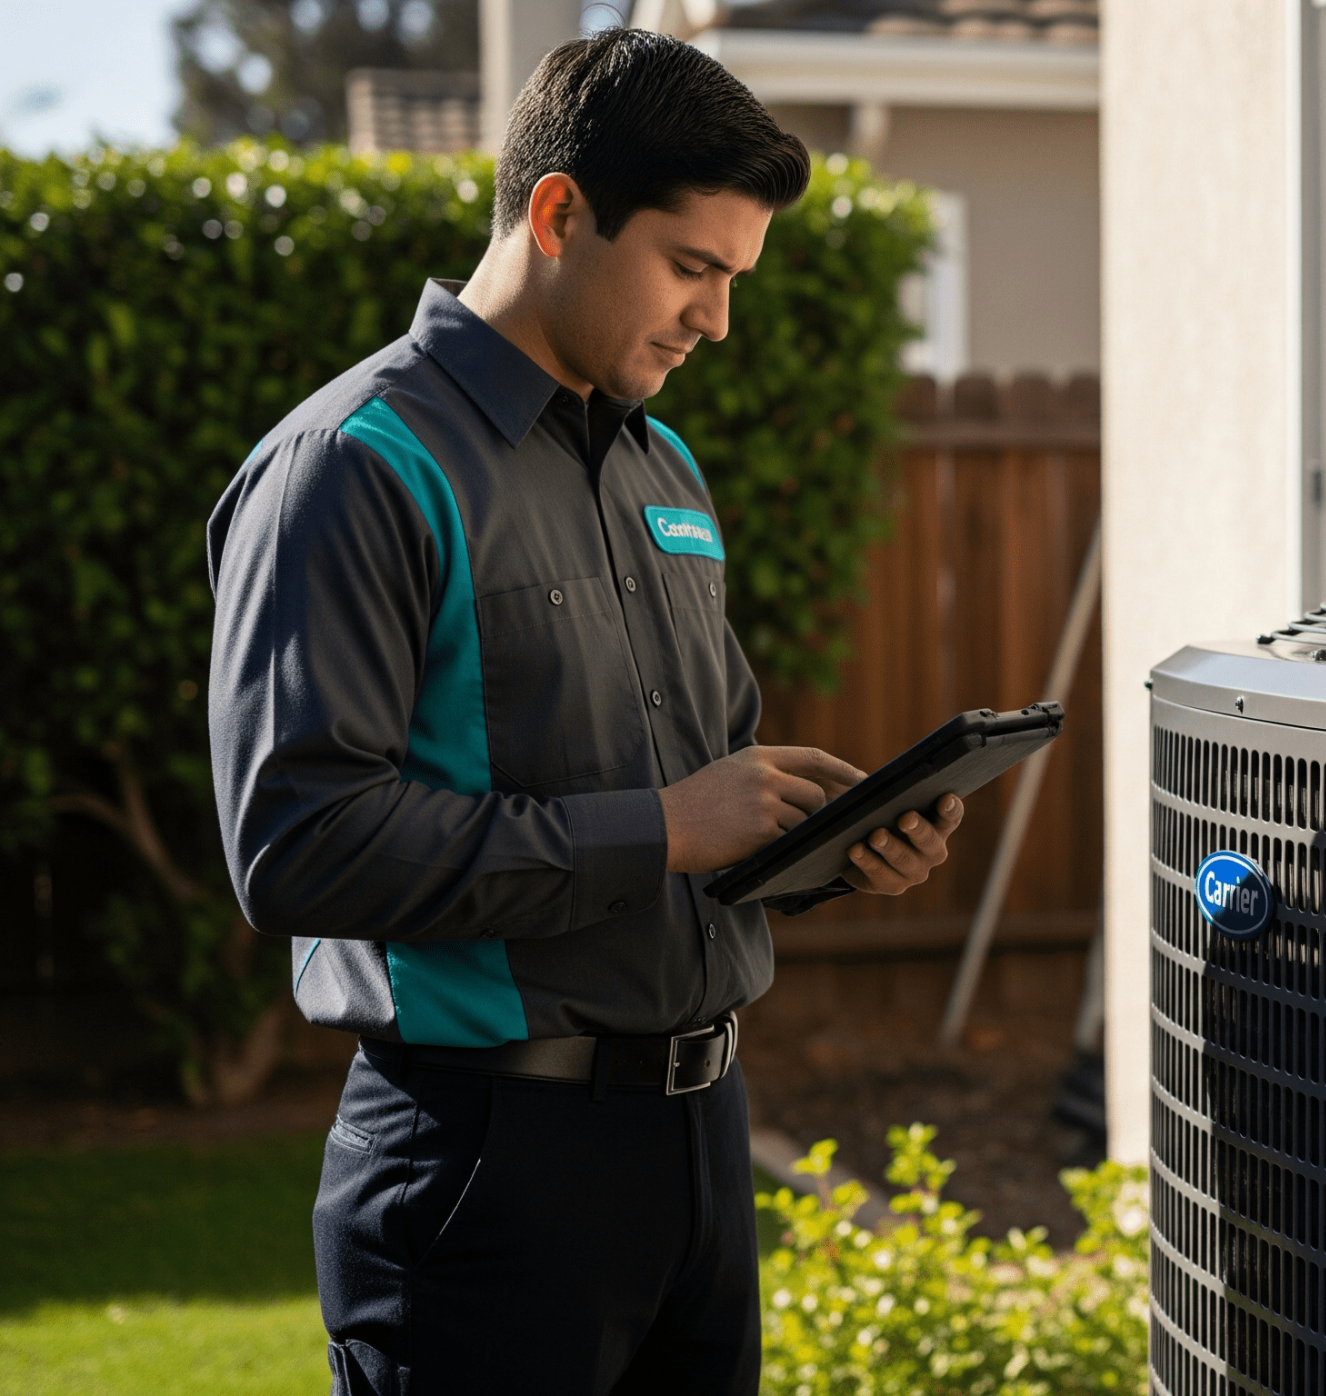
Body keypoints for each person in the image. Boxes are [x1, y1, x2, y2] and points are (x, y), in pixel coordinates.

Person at [204, 29, 960, 1396]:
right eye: (692, 268)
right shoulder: (351, 468)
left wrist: (821, 851)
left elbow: (689, 811)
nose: (716, 320)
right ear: (559, 214)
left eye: (736, 279)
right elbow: (297, 848)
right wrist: (659, 830)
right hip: (483, 1168)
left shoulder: (664, 464)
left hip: (700, 1146)